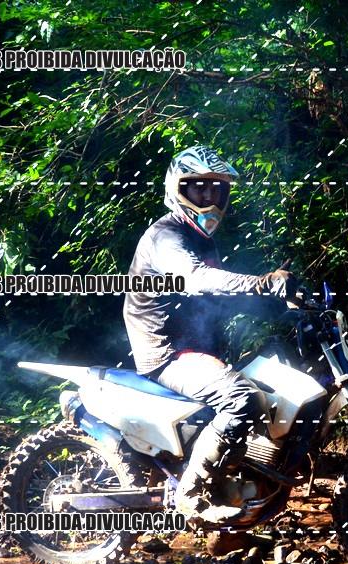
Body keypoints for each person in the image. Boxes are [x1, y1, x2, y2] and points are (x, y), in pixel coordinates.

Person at [123, 145, 298, 523]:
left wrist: (284, 305)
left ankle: (240, 494)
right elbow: (197, 279)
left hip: (196, 350)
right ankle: (191, 493)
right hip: (167, 353)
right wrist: (262, 282)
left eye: (216, 189)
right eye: (198, 188)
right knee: (242, 398)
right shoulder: (166, 236)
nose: (209, 198)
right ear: (178, 189)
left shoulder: (202, 240)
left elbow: (220, 298)